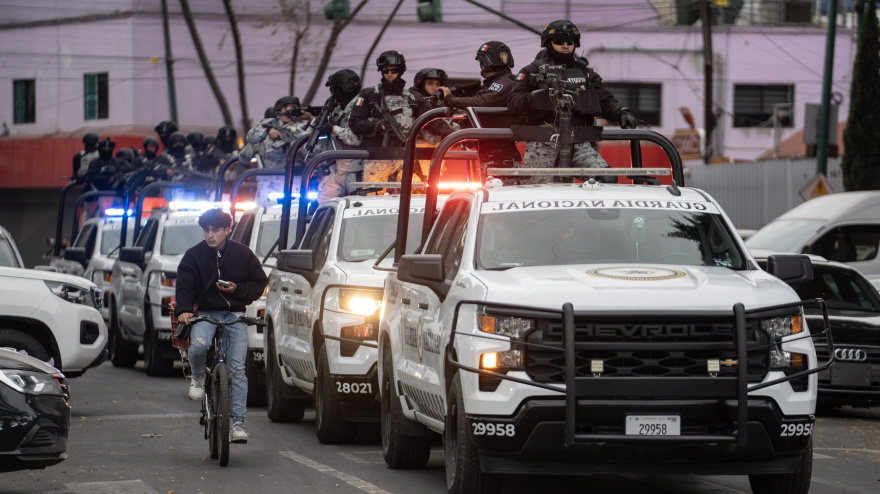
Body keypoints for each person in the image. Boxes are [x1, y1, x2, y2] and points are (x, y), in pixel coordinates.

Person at [174, 208, 269, 444]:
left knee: (238, 370)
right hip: (206, 314)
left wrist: (238, 290)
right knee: (198, 347)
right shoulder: (193, 256)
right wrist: (184, 309)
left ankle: (238, 424)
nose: (210, 235)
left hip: (235, 314)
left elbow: (260, 282)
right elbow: (184, 285)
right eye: (206, 230)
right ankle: (198, 378)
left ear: (228, 229)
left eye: (215, 230)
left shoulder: (243, 254)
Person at [507, 20, 637, 183]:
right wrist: (534, 98)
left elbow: (605, 100)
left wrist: (621, 111)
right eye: (559, 41)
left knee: (607, 179)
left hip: (579, 143)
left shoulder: (586, 74)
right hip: (543, 143)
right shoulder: (532, 71)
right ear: (548, 42)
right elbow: (513, 102)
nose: (565, 45)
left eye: (570, 41)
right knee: (538, 190)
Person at [348, 51, 437, 187]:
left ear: (400, 71)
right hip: (377, 158)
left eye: (394, 70)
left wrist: (454, 133)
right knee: (372, 194)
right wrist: (374, 125)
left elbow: (433, 121)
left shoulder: (413, 97)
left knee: (415, 190)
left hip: (405, 156)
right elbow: (354, 122)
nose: (390, 74)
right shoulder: (369, 95)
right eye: (386, 70)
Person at [439, 41, 522, 180]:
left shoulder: (504, 83)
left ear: (488, 62)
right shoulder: (496, 84)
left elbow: (482, 102)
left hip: (501, 157)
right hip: (493, 154)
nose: (481, 66)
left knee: (501, 191)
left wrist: (450, 99)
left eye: (482, 61)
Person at [316, 69, 365, 202]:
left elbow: (356, 139)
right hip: (338, 170)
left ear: (343, 88)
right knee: (319, 206)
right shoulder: (337, 110)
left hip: (357, 171)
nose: (333, 93)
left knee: (356, 207)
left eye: (334, 89)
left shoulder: (361, 107)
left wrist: (332, 128)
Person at [240, 97, 311, 169]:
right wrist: (267, 130)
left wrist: (312, 118)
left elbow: (313, 156)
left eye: (297, 108)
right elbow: (244, 155)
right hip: (267, 175)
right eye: (293, 107)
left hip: (294, 174)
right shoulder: (264, 127)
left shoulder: (301, 128)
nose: (296, 110)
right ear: (281, 108)